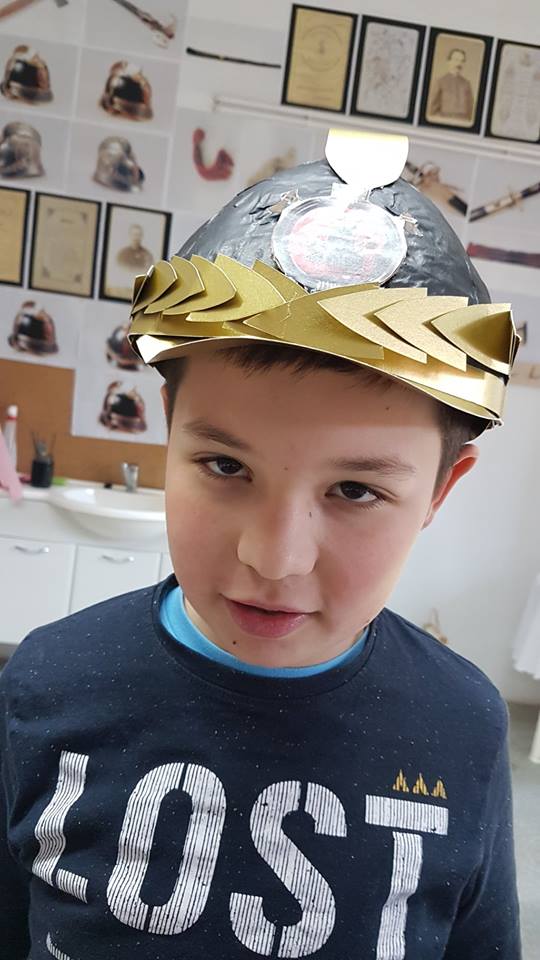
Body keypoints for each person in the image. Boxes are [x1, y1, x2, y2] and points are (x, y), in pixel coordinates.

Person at [0, 131, 521, 959]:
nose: (274, 559)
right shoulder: (47, 680)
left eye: (355, 491)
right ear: (169, 432)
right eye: (224, 466)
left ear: (439, 491)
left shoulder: (461, 725)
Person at [428, 48, 474, 122]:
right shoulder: (440, 82)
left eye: (462, 61)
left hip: (463, 121)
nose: (459, 64)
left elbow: (470, 109)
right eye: (456, 60)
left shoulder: (466, 84)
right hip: (444, 120)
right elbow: (432, 109)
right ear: (449, 61)